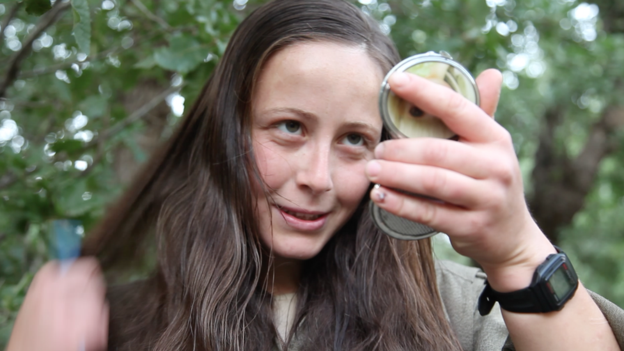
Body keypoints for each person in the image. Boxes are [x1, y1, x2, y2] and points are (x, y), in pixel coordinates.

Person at [6, 0, 624, 350]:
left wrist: (517, 253)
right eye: (290, 128)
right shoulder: (111, 321)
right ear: (227, 129)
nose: (318, 178)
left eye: (355, 140)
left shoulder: (455, 311)